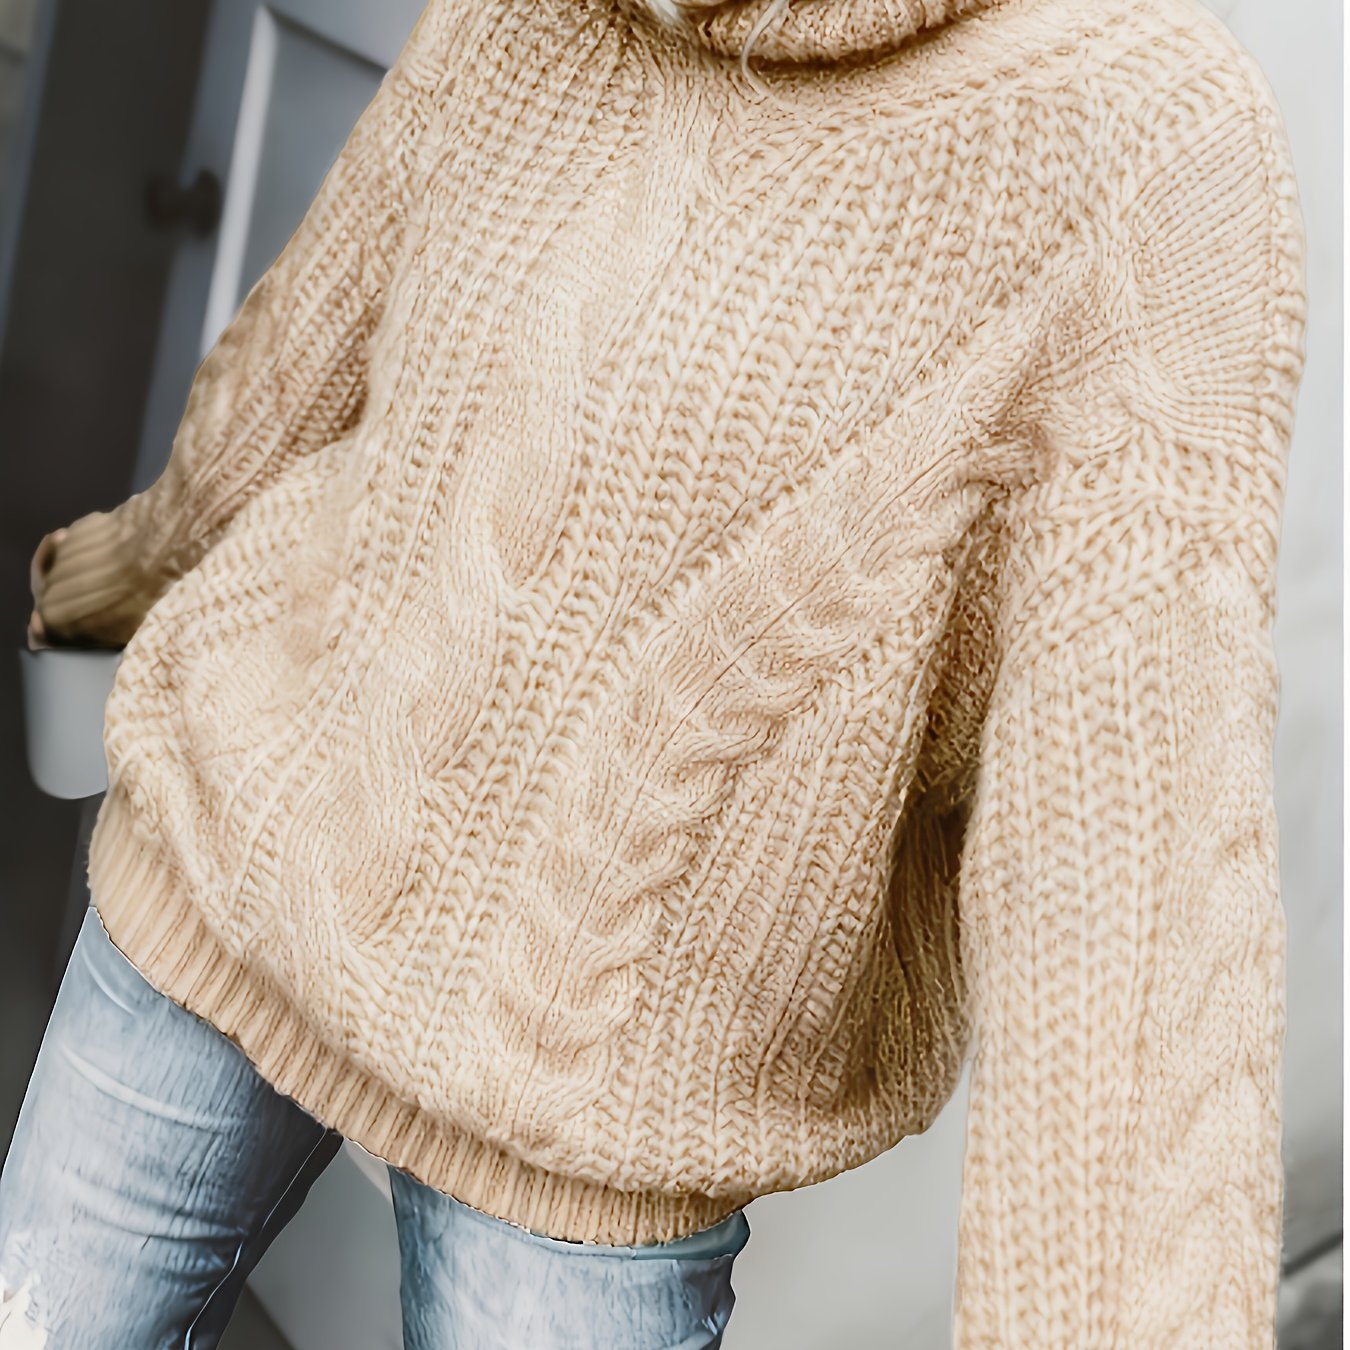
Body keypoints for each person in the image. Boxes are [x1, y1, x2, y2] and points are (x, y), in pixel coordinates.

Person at [2, 0, 1308, 1345]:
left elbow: (1134, 886)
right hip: (224, 856)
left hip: (597, 1107)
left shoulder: (1144, 138)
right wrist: (120, 574)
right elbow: (303, 354)